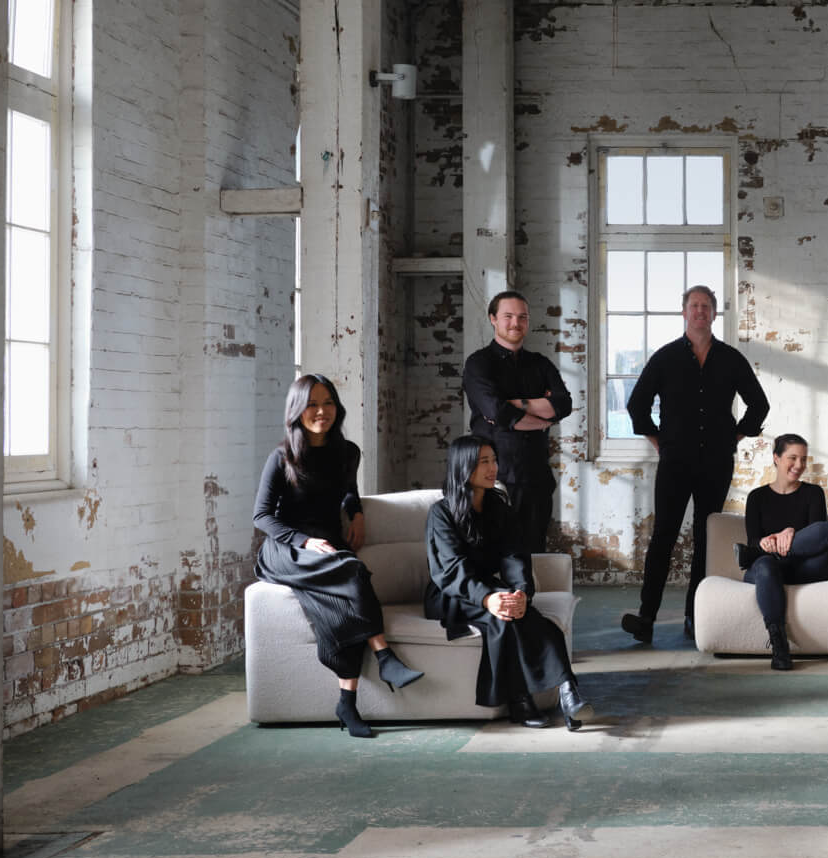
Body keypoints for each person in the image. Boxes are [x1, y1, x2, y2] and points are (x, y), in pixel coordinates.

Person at [254, 373, 423, 739]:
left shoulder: (347, 453)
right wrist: (303, 540)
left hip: (328, 546)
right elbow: (262, 515)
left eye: (328, 403)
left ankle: (347, 703)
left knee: (340, 607)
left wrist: (357, 512)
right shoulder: (281, 457)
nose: (321, 411)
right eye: (312, 404)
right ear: (297, 411)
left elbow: (347, 491)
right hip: (288, 549)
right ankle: (385, 656)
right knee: (353, 571)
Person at [623, 285, 770, 644]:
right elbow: (636, 405)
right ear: (684, 312)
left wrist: (734, 437)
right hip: (675, 460)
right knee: (664, 536)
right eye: (694, 306)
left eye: (706, 306)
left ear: (714, 314)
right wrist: (658, 440)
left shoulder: (731, 359)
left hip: (716, 461)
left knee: (706, 539)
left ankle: (694, 616)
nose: (700, 311)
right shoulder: (665, 358)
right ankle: (646, 617)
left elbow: (759, 405)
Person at [424, 436, 592, 731]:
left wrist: (521, 593)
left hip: (490, 587)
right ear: (464, 467)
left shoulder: (499, 507)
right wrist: (488, 599)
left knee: (526, 614)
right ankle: (521, 700)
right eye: (483, 462)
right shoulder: (442, 513)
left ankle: (567, 691)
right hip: (451, 593)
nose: (493, 468)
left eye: (494, 460)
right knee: (503, 620)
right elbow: (451, 570)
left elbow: (515, 556)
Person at [462, 290, 573, 553]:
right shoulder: (479, 363)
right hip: (493, 476)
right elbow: (496, 412)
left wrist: (518, 404)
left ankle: (531, 597)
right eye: (508, 316)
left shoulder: (540, 364)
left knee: (535, 552)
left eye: (522, 317)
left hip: (536, 476)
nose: (515, 323)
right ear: (493, 319)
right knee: (494, 551)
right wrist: (541, 418)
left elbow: (563, 405)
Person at [738, 434, 828, 672]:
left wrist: (789, 533)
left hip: (805, 569)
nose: (799, 465)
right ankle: (779, 645)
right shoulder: (757, 497)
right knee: (765, 564)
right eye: (792, 458)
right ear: (776, 458)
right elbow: (754, 540)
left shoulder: (813, 493)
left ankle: (758, 556)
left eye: (803, 459)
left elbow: (818, 537)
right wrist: (770, 541)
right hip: (767, 572)